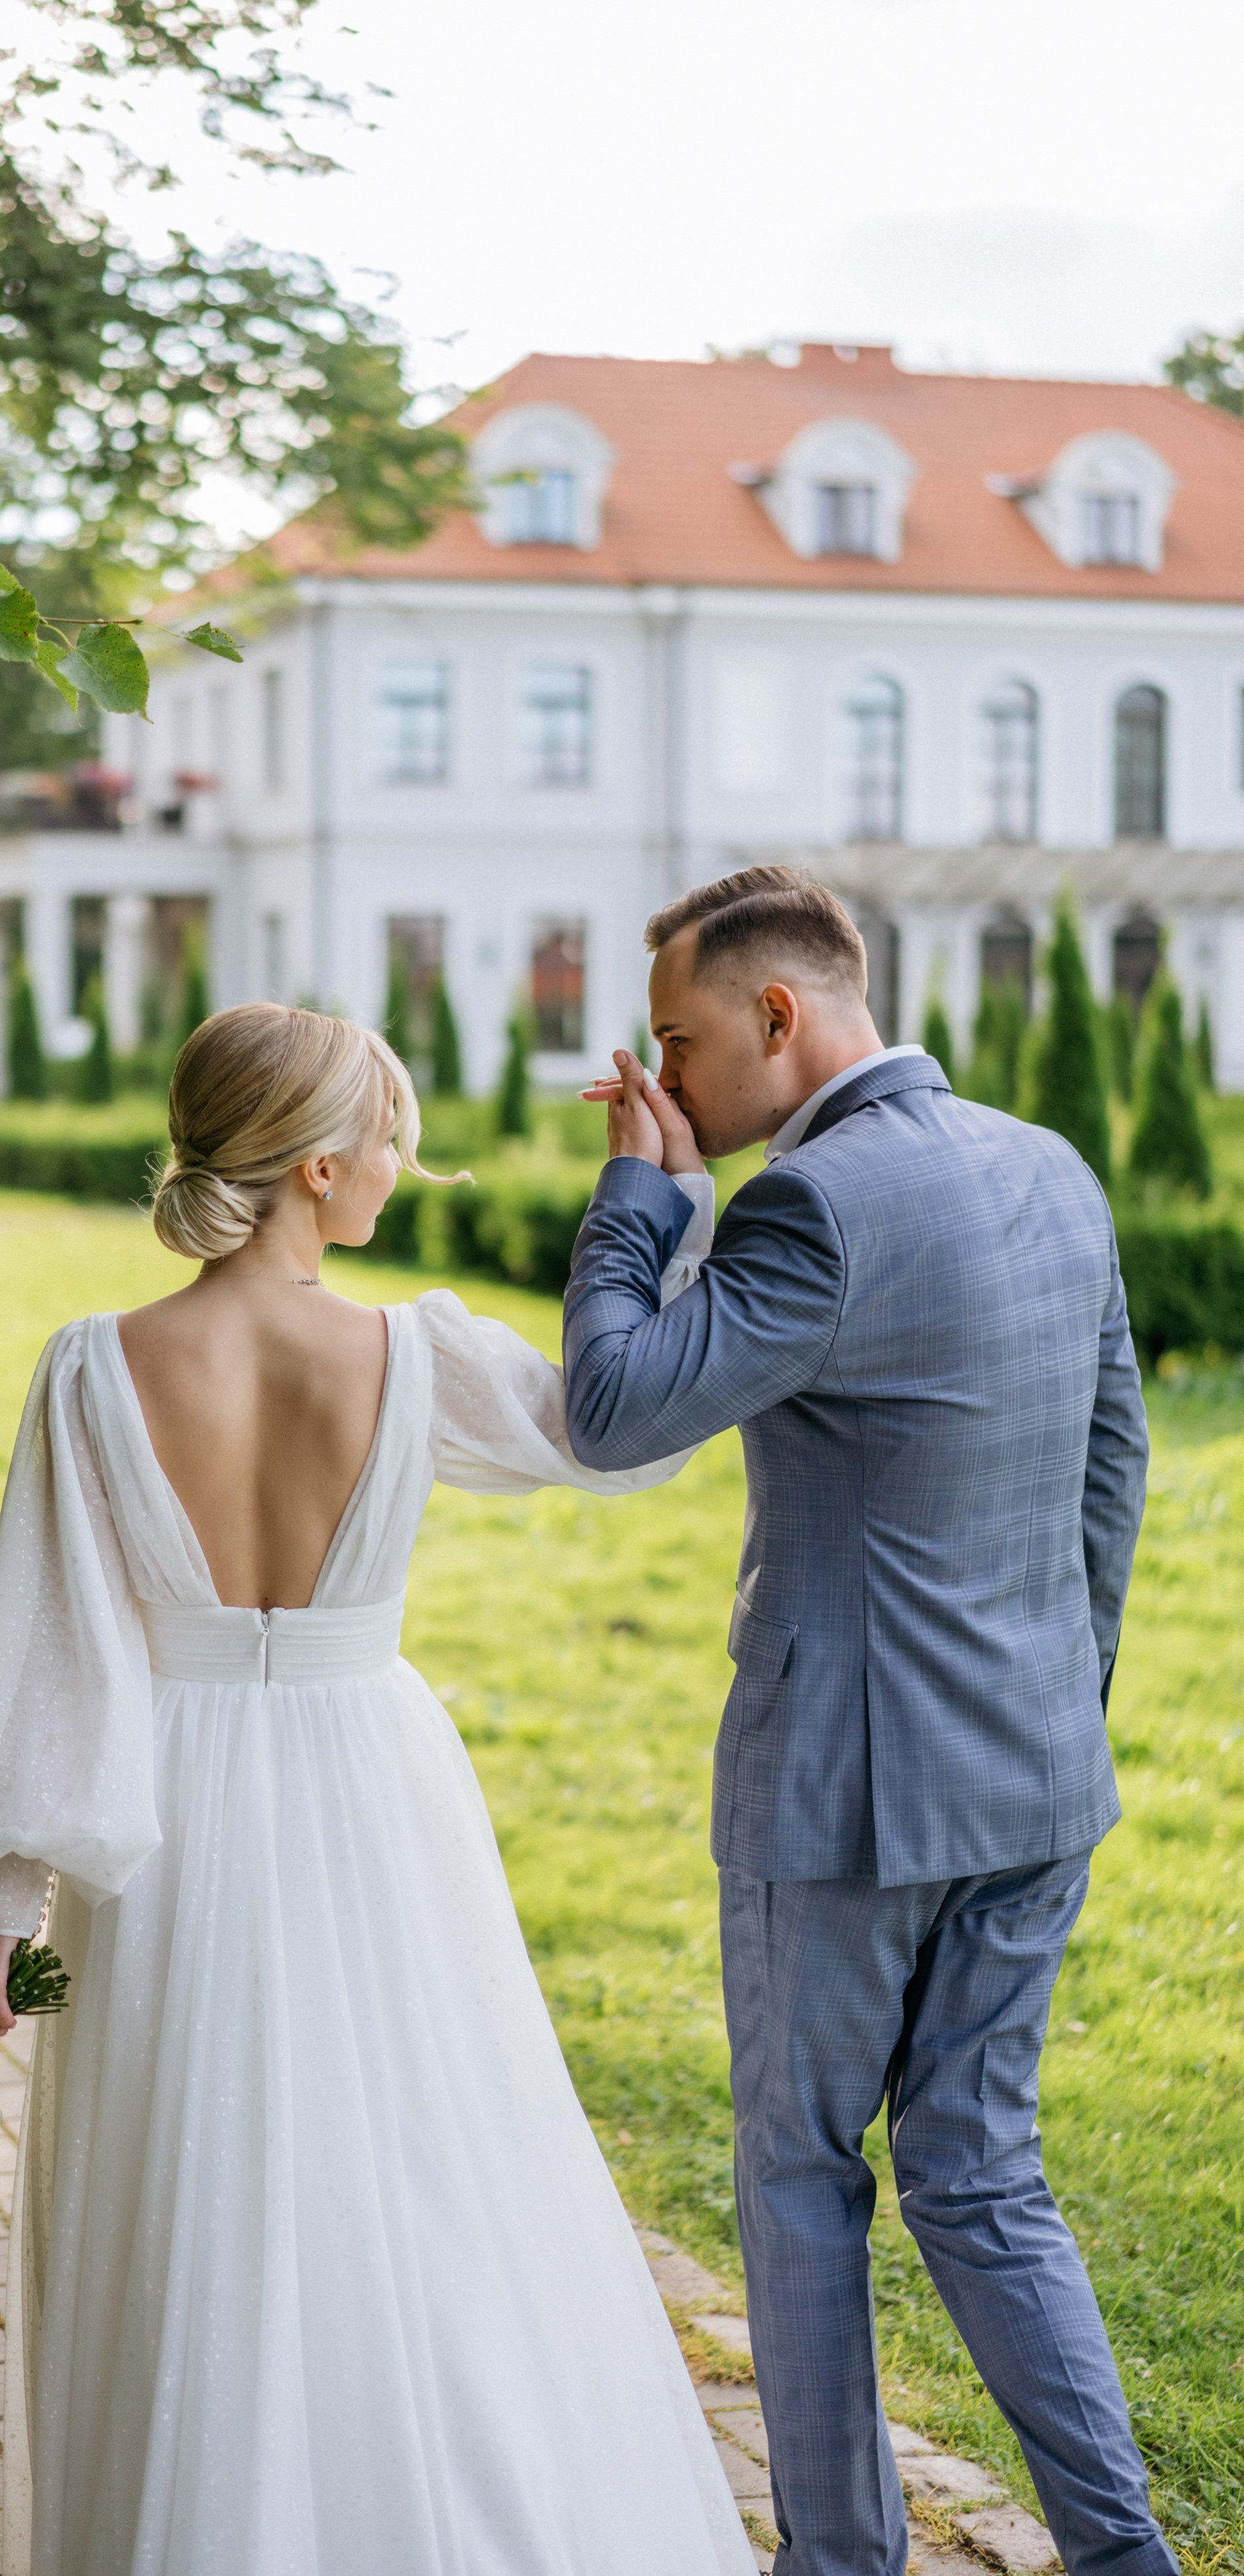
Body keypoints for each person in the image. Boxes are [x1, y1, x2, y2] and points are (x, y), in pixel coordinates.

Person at [0, 1003, 753, 2576]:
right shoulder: (415, 1353)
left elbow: (56, 1655)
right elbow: (626, 1439)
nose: (400, 1167)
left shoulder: (93, 1367)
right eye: (385, 1137)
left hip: (173, 1813)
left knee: (183, 2203)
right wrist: (662, 1212)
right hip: (372, 1781)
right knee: (424, 2171)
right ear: (314, 1165)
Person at [563, 866, 1171, 2576]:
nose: (666, 1087)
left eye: (678, 1045)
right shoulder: (1047, 1163)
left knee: (800, 2173)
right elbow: (1109, 1466)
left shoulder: (806, 1207)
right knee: (980, 2175)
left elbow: (612, 1406)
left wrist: (632, 1204)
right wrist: (1058, 1700)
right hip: (1033, 1771)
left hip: (836, 1805)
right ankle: (1123, 2556)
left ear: (779, 1015)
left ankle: (839, 2562)